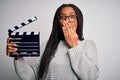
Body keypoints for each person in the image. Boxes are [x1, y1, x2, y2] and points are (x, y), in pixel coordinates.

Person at [6, 4, 99, 80]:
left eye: (71, 16)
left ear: (78, 20)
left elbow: (91, 77)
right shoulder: (46, 45)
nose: (66, 20)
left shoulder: (88, 44)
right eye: (62, 17)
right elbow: (32, 77)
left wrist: (74, 45)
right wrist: (18, 58)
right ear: (57, 22)